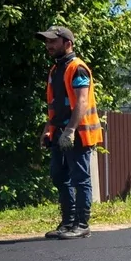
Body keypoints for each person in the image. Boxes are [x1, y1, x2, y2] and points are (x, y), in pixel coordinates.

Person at [37, 25, 102, 240]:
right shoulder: (56, 70)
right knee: (58, 176)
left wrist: (70, 131)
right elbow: (55, 104)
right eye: (47, 42)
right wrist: (48, 129)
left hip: (78, 134)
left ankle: (82, 224)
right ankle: (67, 222)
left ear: (68, 43)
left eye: (52, 41)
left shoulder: (78, 68)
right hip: (58, 132)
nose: (48, 45)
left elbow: (81, 102)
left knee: (80, 178)